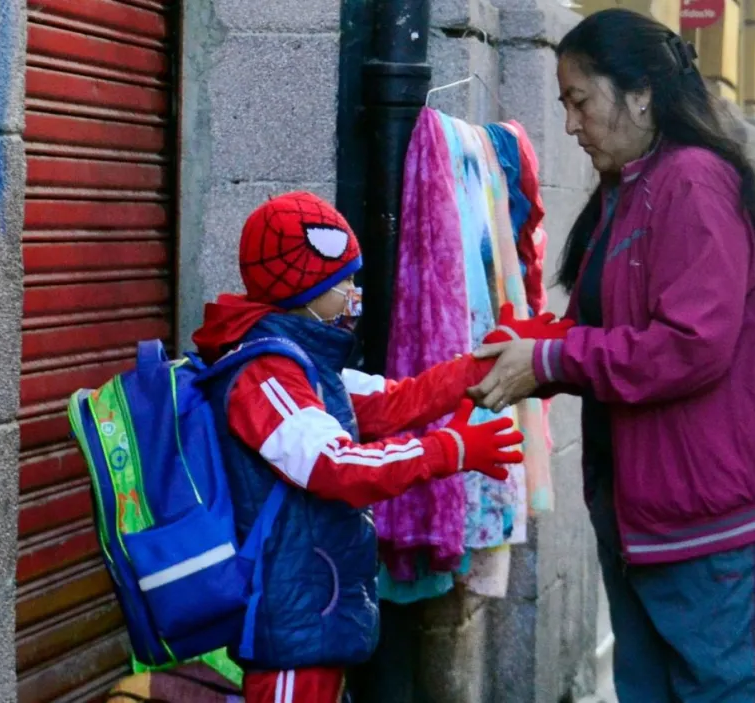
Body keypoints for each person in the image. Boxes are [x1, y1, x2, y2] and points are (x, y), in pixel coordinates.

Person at [468, 10, 755, 703]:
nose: (569, 125)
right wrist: (527, 349)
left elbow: (688, 346)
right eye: (563, 104)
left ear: (641, 93)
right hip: (646, 522)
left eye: (580, 101)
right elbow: (606, 328)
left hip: (711, 531)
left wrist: (552, 361)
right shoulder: (633, 189)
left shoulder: (694, 183)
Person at [191, 191, 545, 703]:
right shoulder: (264, 375)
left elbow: (394, 402)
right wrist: (449, 451)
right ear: (302, 289)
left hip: (314, 605)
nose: (355, 295)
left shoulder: (306, 364)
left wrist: (488, 362)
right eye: (343, 283)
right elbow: (338, 466)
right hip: (288, 620)